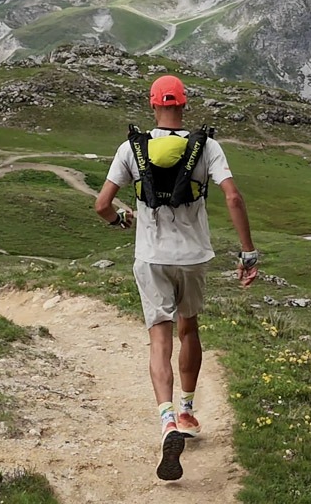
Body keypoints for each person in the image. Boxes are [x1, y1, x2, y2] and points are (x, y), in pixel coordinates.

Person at [94, 73, 261, 482]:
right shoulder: (207, 148)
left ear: (153, 106)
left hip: (150, 257)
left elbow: (101, 205)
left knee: (159, 336)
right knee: (190, 330)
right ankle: (188, 411)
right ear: (183, 105)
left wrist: (120, 220)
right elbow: (233, 197)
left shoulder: (130, 149)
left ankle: (166, 419)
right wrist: (248, 252)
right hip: (193, 257)